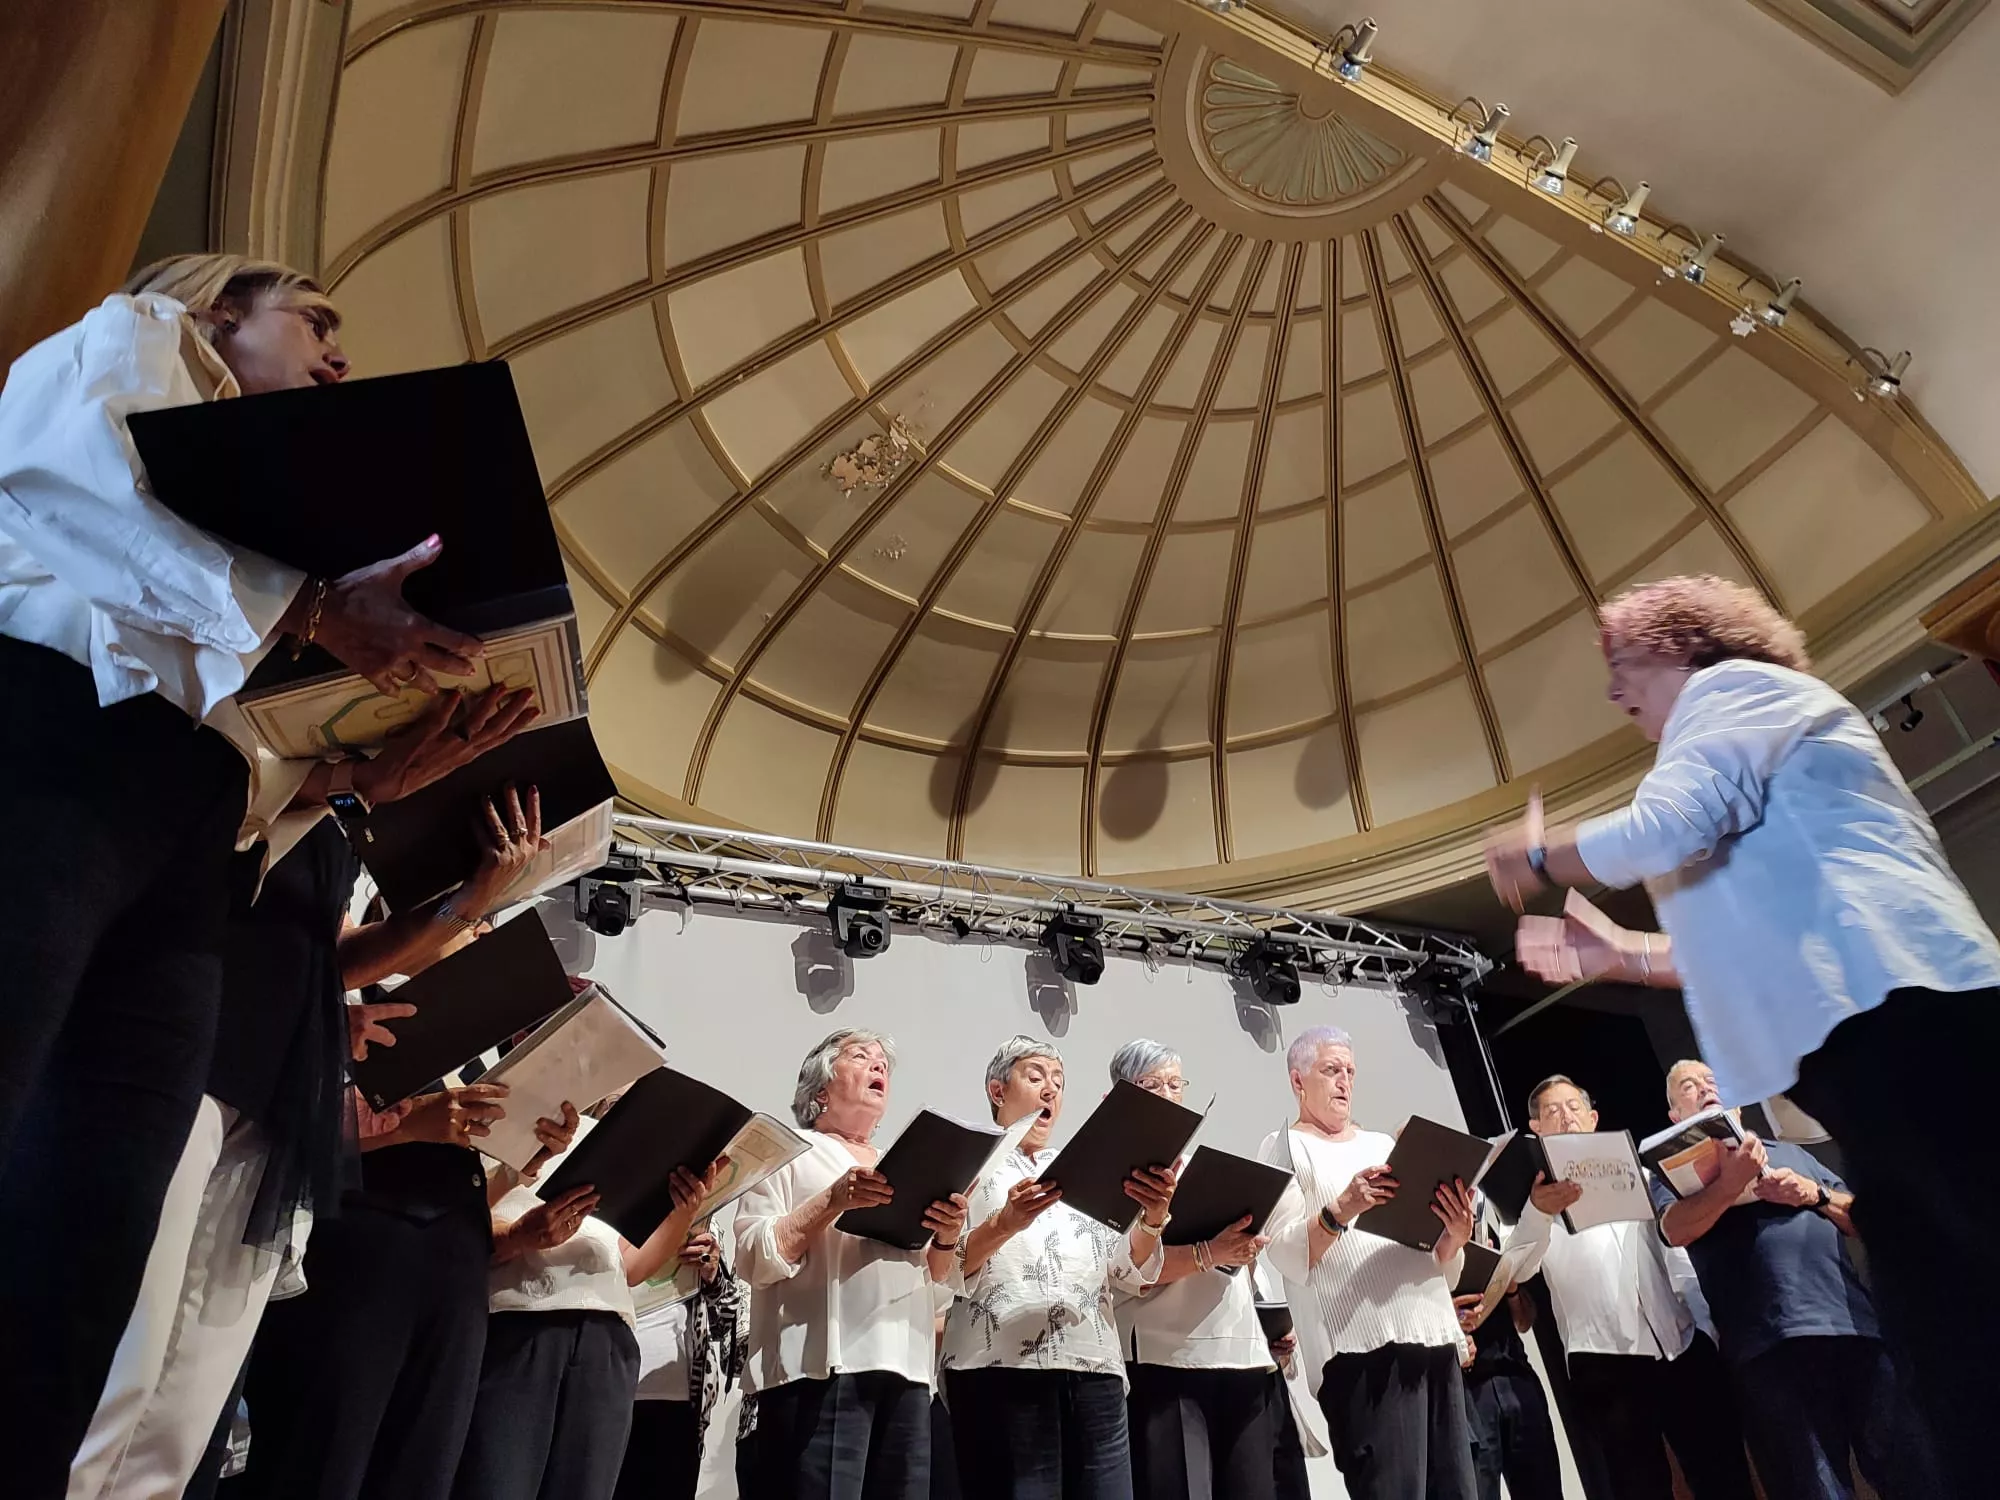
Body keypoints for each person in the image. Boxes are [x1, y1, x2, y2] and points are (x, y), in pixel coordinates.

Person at [0, 252, 487, 1488]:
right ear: (222, 305)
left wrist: (348, 784)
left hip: (189, 834)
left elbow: (226, 723)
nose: (337, 355)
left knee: (94, 1219)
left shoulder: (263, 532)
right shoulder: (142, 336)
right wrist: (315, 612)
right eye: (313, 320)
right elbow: (62, 485)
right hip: (45, 744)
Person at [1483, 573, 2000, 1497]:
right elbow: (1740, 935)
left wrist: (1536, 856)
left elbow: (1667, 825)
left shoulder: (1734, 693)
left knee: (1963, 1322)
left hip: (1911, 1017)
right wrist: (1620, 958)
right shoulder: (1739, 744)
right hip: (1880, 1042)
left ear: (1681, 647)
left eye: (1620, 665)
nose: (1612, 692)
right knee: (1949, 1337)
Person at [68, 764, 540, 1500]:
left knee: (185, 1409)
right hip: (189, 1062)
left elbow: (334, 951)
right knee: (115, 1368)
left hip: (275, 1105)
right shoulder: (266, 766)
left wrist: (470, 897)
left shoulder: (342, 830)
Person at [232, 919, 560, 1500]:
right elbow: (292, 1127)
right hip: (357, 1252)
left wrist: (522, 1154)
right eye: (474, 916)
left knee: (422, 1465)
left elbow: (463, 1174)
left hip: (454, 1270)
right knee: (324, 1456)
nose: (484, 930)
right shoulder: (346, 1000)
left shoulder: (480, 1047)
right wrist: (418, 1122)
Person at [1648, 1061, 1924, 1500]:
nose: (1704, 1088)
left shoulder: (1794, 1153)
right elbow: (1674, 1230)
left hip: (1854, 1327)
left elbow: (1861, 1219)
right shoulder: (1671, 1176)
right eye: (1689, 1086)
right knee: (1813, 1488)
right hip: (1768, 1347)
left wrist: (1815, 1194)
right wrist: (1728, 1185)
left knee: (1914, 1472)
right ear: (1676, 1117)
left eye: (1711, 1079)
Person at [733, 1030, 970, 1499]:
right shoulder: (791, 1152)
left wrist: (946, 1236)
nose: (879, 1067)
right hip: (819, 1371)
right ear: (820, 1090)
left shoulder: (901, 1163)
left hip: (906, 1369)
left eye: (883, 1063)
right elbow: (753, 1256)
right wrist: (832, 1200)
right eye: (860, 1057)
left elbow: (933, 1283)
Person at [453, 1095, 727, 1500]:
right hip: (519, 1320)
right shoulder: (489, 1114)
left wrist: (684, 1210)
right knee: (496, 1482)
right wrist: (518, 1237)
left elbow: (629, 1265)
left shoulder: (609, 1138)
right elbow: (456, 1221)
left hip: (608, 1333)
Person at [941, 1036, 1175, 1500]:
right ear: (997, 1090)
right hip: (1001, 1365)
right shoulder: (967, 1163)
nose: (1051, 1089)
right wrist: (1004, 1223)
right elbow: (941, 1267)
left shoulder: (1083, 1169)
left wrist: (1152, 1218)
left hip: (1095, 1364)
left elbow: (1126, 1271)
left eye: (1059, 1081)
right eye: (1035, 1076)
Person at [1499, 1075, 1750, 1500]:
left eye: (1574, 1107)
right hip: (1605, 1363)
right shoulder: (1527, 1199)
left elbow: (1676, 1252)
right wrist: (1538, 1213)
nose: (1566, 1117)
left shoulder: (1640, 1171)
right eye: (1552, 1112)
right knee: (1638, 1488)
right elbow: (1517, 1271)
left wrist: (1704, 1325)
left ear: (1593, 1118)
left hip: (1681, 1343)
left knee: (1724, 1476)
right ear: (1536, 1128)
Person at [1258, 1026, 1477, 1500]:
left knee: (1456, 1490)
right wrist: (1342, 1209)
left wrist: (1454, 1236)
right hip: (1364, 1352)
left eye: (1350, 1072)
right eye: (1330, 1070)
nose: (1343, 1081)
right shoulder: (1286, 1147)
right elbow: (1285, 1252)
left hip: (1434, 1337)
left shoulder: (1383, 1146)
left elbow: (1434, 1260)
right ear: (1298, 1082)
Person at [1108, 1039, 1278, 1500]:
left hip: (1239, 1354)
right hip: (1166, 1360)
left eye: (1174, 1083)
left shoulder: (1199, 1168)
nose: (1168, 1093)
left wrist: (1243, 1249)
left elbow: (1228, 1257)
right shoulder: (1109, 1168)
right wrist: (1208, 1252)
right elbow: (1124, 1269)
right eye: (1152, 1084)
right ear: (1121, 1096)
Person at [615, 1222, 747, 1500]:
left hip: (679, 1401)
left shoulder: (702, 1221)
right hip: (608, 1389)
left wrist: (712, 1273)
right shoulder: (611, 1211)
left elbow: (727, 1325)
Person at [1454, 1193, 1564, 1500]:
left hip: (1516, 1373)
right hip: (1466, 1388)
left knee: (1544, 1489)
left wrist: (1510, 1285)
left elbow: (1524, 1321)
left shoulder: (1494, 1214)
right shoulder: (1430, 1230)